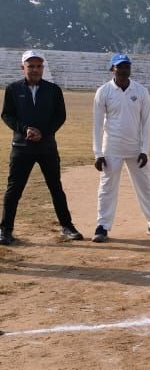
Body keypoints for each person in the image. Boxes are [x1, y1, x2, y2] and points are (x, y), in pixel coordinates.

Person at [0, 51, 83, 245]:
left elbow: (60, 116)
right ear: (23, 68)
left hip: (47, 147)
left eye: (38, 66)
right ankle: (5, 230)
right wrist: (25, 129)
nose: (35, 70)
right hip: (21, 147)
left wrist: (43, 133)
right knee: (14, 189)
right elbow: (7, 115)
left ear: (43, 68)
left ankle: (67, 227)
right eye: (31, 66)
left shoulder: (53, 90)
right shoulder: (13, 89)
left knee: (55, 188)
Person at [91, 53, 150, 242]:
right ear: (112, 69)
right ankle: (102, 226)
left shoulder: (141, 91)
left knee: (144, 186)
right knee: (107, 187)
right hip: (112, 146)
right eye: (119, 66)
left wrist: (144, 150)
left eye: (126, 66)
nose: (123, 70)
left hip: (135, 147)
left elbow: (146, 123)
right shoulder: (103, 92)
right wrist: (98, 153)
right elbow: (97, 124)